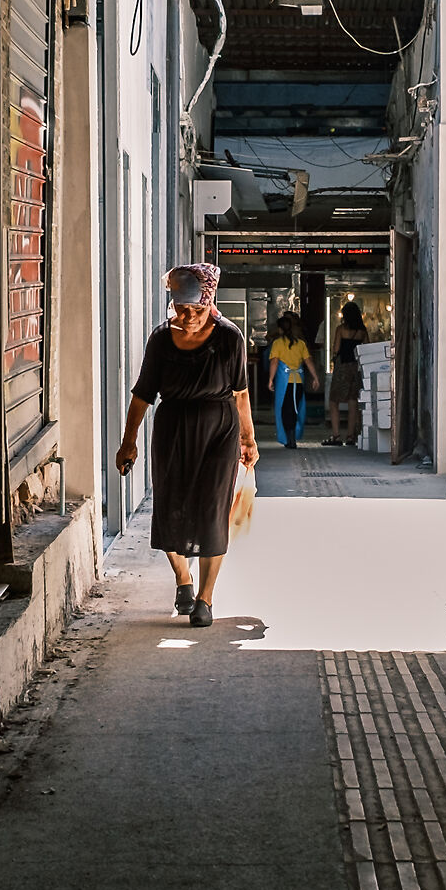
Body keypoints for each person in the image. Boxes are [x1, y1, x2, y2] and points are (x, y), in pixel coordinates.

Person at [115, 264, 258, 627]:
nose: (189, 316)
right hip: (172, 430)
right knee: (170, 510)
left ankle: (205, 600)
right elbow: (142, 394)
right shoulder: (161, 340)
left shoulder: (229, 338)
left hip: (218, 431)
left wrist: (248, 438)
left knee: (212, 512)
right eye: (182, 308)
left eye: (197, 308)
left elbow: (241, 394)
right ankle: (183, 578)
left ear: (209, 302)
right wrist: (128, 442)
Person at [266, 312, 318, 448]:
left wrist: (270, 379)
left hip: (284, 384)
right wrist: (315, 378)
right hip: (298, 382)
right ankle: (293, 438)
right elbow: (308, 361)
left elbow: (274, 362)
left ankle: (289, 440)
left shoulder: (277, 343)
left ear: (280, 329)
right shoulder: (300, 344)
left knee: (285, 411)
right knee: (295, 410)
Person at [323, 301, 368, 446]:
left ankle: (336, 436)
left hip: (342, 367)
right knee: (353, 401)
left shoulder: (341, 329)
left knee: (334, 400)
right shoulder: (362, 331)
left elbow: (336, 349)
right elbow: (367, 348)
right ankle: (350, 436)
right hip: (356, 367)